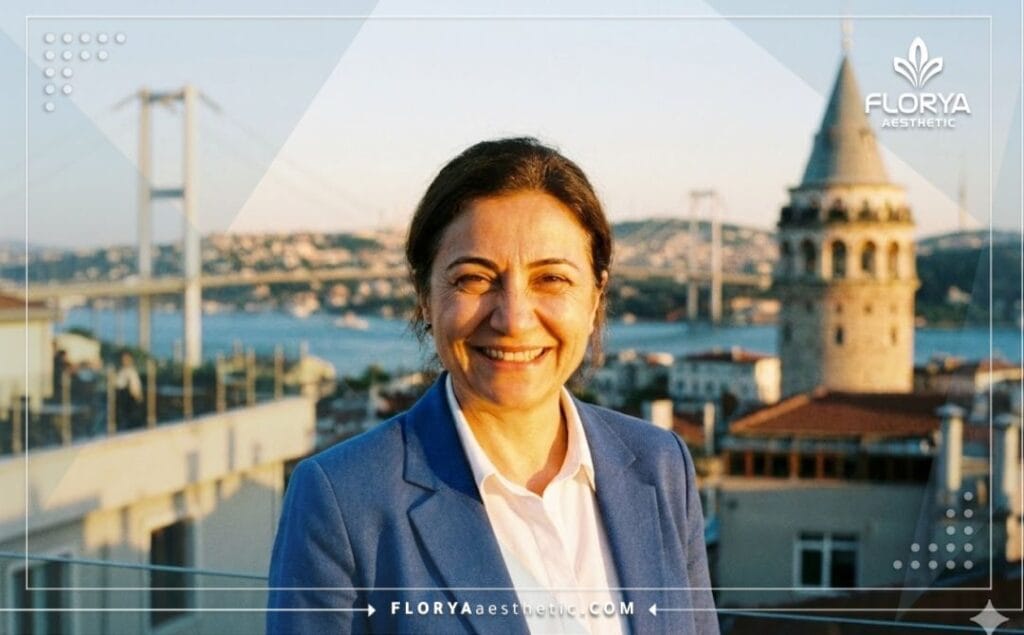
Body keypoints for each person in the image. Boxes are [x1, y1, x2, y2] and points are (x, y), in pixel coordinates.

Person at [267, 138, 718, 634]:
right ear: (425, 297)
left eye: (551, 279)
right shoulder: (342, 499)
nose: (513, 319)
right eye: (474, 279)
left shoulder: (661, 464)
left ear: (595, 298)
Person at [114, 350, 143, 429]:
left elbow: (135, 389)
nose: (124, 361)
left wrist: (137, 399)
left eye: (127, 359)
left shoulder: (132, 372)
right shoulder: (120, 372)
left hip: (130, 401)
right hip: (122, 401)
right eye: (123, 359)